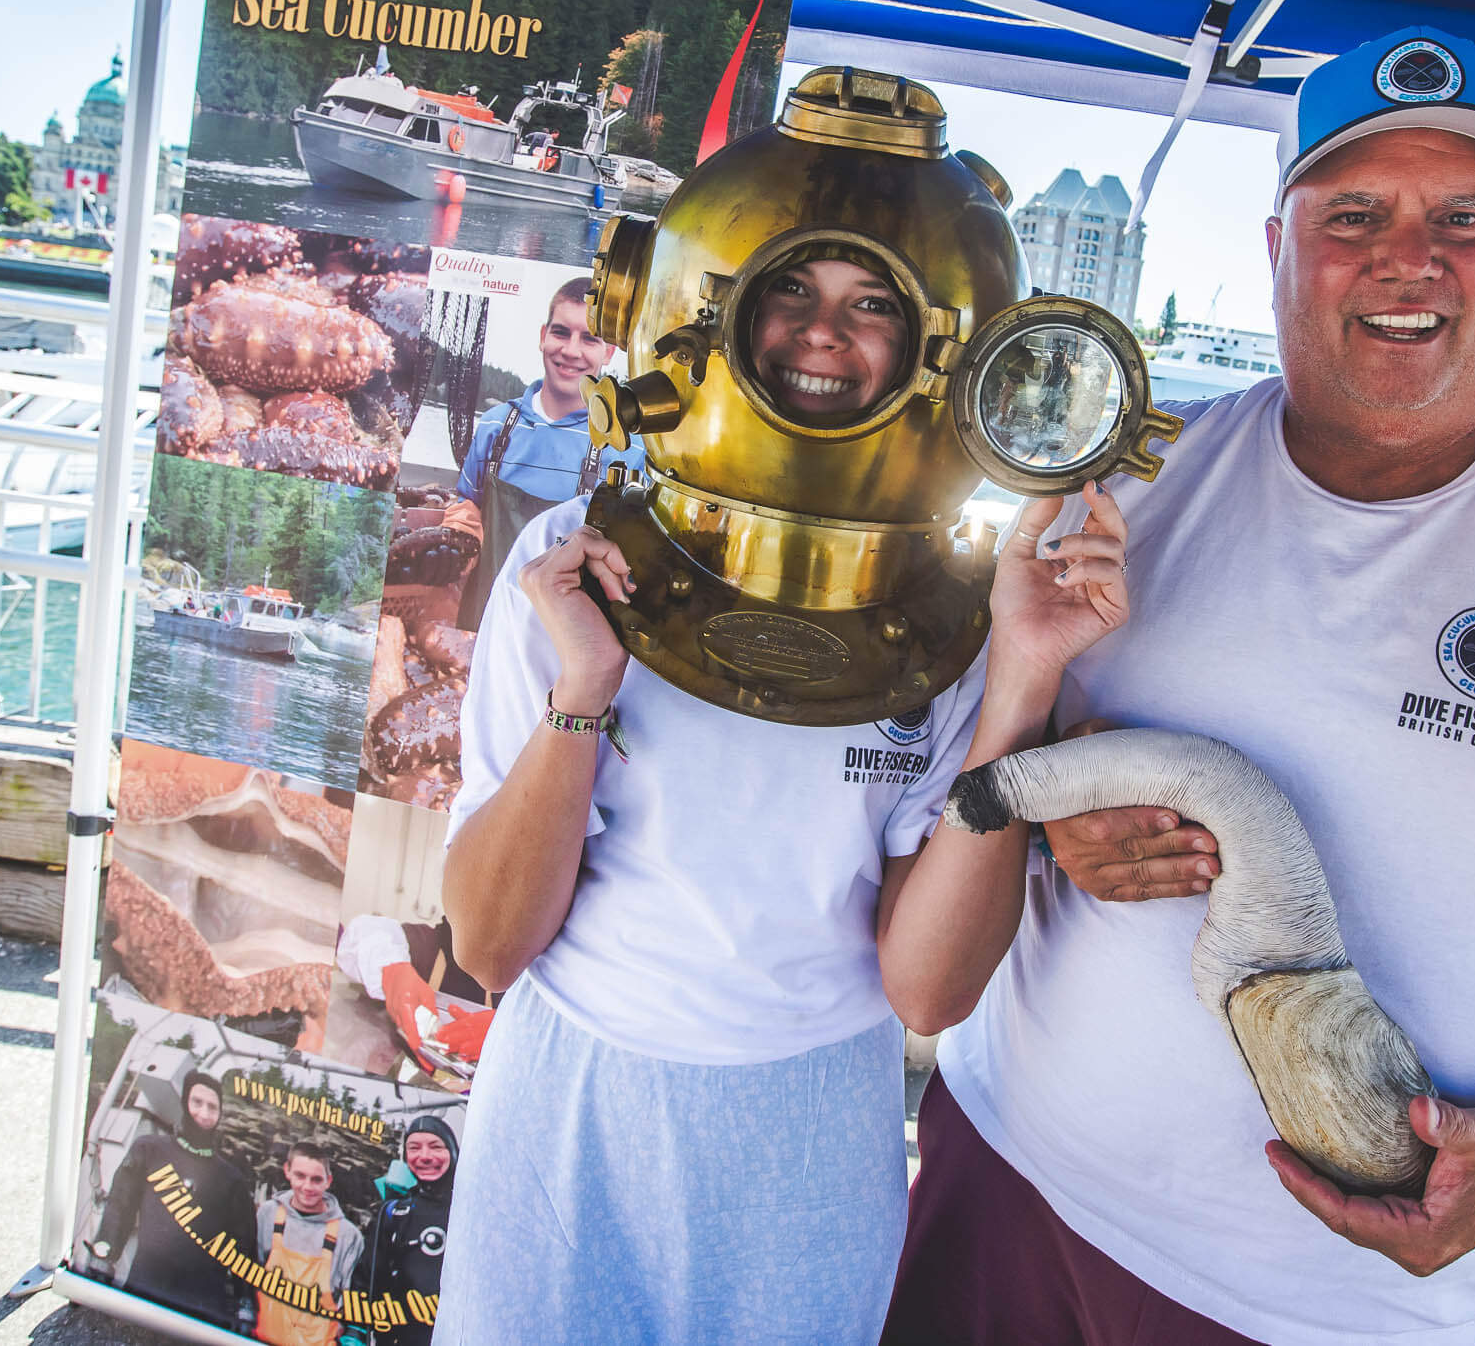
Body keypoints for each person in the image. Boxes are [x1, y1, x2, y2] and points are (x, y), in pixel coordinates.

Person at [884, 26, 1475, 1345]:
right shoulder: (1125, 484)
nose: (1412, 258)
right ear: (1279, 245)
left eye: (1468, 214)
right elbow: (998, 783)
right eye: (1353, 212)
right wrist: (1056, 817)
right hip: (1010, 1189)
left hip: (1347, 1308)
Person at [433, 245, 1134, 1346]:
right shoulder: (575, 564)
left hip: (809, 1123)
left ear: (928, 349)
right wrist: (584, 686)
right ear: (725, 315)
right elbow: (485, 942)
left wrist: (1021, 680)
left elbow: (931, 990)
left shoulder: (953, 618)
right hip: (571, 1099)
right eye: (793, 293)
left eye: (870, 306)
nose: (823, 332)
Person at [453, 276, 644, 624]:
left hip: (567, 645)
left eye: (589, 338)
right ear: (542, 337)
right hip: (487, 625)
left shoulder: (631, 450)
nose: (571, 350)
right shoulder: (495, 426)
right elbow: (465, 509)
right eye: (560, 332)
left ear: (609, 352)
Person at [87, 1069, 255, 1332]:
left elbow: (244, 1247)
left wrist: (246, 1305)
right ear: (185, 1104)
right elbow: (120, 1206)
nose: (204, 1112)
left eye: (213, 1107)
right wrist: (103, 1257)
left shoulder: (232, 1178)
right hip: (145, 1293)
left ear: (220, 1114)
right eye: (197, 1102)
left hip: (204, 1308)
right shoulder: (149, 1149)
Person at [348, 1116, 458, 1346]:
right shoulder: (395, 1212)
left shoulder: (472, 1212)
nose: (425, 1156)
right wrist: (356, 1330)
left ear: (453, 1151)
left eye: (436, 1147)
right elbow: (367, 1279)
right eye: (414, 1148)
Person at [253, 1142, 363, 1346]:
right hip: (260, 1339)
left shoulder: (348, 1235)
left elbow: (352, 1306)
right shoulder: (268, 1214)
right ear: (287, 1171)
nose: (307, 1187)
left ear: (328, 1181)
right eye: (300, 1176)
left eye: (316, 1179)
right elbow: (251, 1273)